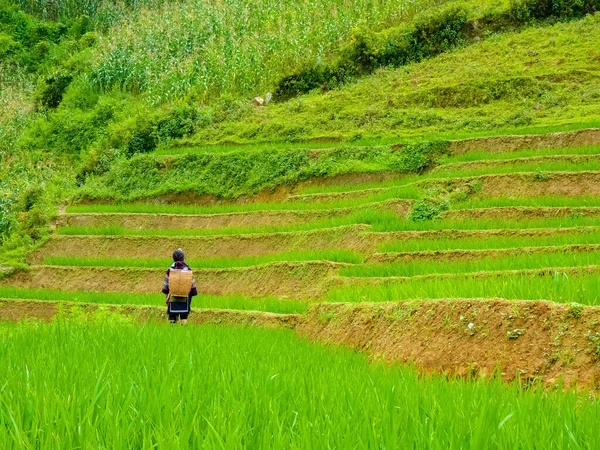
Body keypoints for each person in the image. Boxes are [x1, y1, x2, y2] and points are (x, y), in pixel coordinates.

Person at [162, 249, 197, 324]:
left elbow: (165, 285)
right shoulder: (188, 269)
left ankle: (172, 329)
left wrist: (166, 296)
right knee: (184, 316)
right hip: (185, 298)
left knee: (172, 316)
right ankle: (183, 329)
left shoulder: (170, 270)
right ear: (183, 258)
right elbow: (193, 286)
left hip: (173, 297)